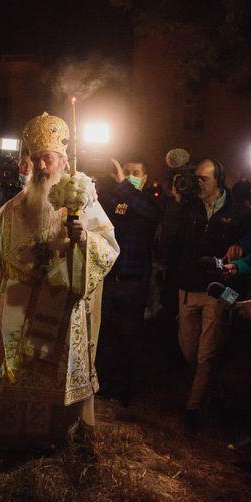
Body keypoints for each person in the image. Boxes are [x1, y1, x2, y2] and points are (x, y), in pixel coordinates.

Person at [0, 112, 119, 451]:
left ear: (63, 160)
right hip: (18, 300)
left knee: (56, 374)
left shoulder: (82, 200)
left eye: (46, 158)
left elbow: (108, 248)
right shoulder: (19, 203)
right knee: (6, 370)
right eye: (34, 159)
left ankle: (52, 436)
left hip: (59, 302)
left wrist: (84, 240)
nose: (40, 166)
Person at [161, 157, 251, 434]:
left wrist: (239, 249)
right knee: (189, 349)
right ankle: (215, 392)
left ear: (218, 180)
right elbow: (168, 242)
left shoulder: (238, 213)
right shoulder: (188, 208)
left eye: (204, 179)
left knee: (207, 352)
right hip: (188, 287)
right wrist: (177, 202)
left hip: (218, 289)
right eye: (196, 178)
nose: (198, 183)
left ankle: (193, 410)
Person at [96, 157, 160, 404]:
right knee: (107, 337)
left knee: (129, 337)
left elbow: (146, 210)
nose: (130, 174)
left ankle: (125, 390)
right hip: (111, 278)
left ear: (144, 179)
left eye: (136, 172)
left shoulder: (150, 203)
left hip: (134, 282)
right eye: (127, 171)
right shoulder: (115, 199)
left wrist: (124, 183)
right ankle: (105, 384)